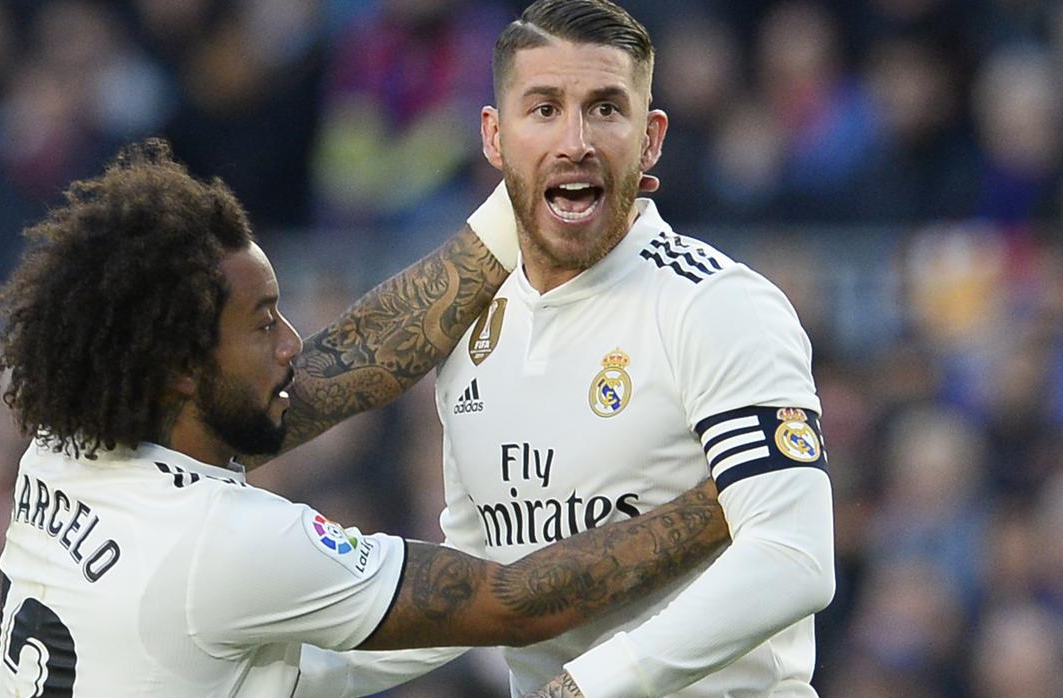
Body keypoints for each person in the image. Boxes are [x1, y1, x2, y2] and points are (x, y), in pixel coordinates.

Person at [0, 139, 731, 696]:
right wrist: (738, 490)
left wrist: (524, 206)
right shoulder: (223, 542)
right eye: (264, 323)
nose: (292, 344)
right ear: (181, 365)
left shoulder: (67, 443)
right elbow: (511, 603)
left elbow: (350, 355)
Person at [296, 1, 835, 696]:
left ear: (651, 138)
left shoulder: (716, 304)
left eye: (606, 109)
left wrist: (589, 686)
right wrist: (294, 676)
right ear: (494, 136)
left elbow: (792, 557)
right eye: (544, 109)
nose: (574, 140)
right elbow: (481, 581)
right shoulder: (473, 331)